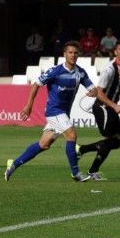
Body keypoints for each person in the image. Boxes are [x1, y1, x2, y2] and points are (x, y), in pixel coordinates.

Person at [5, 41, 97, 182]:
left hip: (64, 113)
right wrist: (28, 106)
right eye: (70, 52)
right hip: (54, 111)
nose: (73, 55)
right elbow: (36, 84)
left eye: (75, 53)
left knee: (44, 144)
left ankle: (14, 164)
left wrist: (93, 92)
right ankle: (76, 173)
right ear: (64, 54)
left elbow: (93, 88)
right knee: (71, 135)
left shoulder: (80, 73)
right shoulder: (55, 71)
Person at [76, 40, 120, 181]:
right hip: (102, 107)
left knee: (116, 142)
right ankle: (92, 169)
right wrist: (115, 106)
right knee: (111, 140)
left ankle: (82, 150)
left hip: (111, 108)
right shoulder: (109, 70)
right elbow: (99, 93)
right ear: (115, 52)